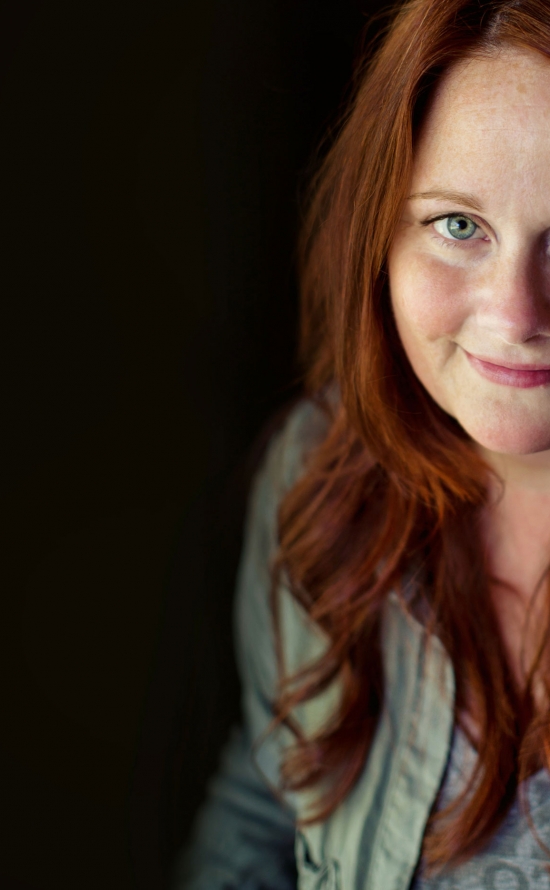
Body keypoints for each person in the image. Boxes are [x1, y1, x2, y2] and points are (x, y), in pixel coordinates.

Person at [173, 0, 550, 887]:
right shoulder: (320, 475)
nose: (515, 315)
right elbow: (266, 801)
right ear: (380, 231)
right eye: (458, 225)